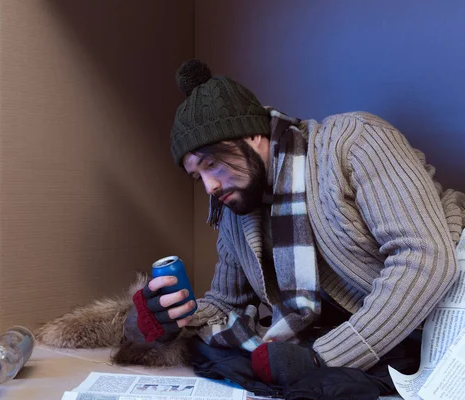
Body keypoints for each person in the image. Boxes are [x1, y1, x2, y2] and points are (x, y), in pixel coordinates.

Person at [130, 59, 465, 386]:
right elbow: (224, 304)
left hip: (452, 303)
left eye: (212, 163)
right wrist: (165, 319)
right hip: (384, 334)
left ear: (252, 137)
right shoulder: (237, 211)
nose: (209, 187)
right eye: (196, 176)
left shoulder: (354, 142)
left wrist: (323, 359)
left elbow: (424, 257)